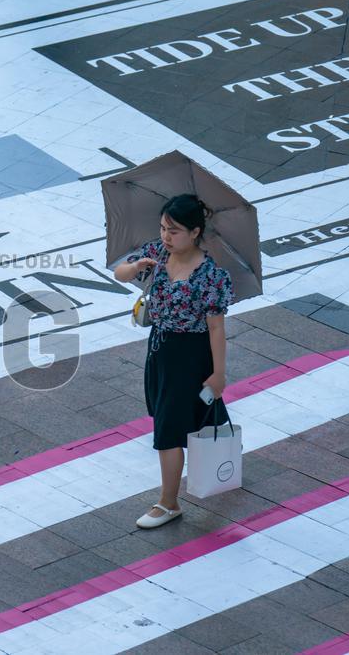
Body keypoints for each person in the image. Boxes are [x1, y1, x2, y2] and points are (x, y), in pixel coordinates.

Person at [112, 194, 234, 529]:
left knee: (167, 428)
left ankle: (168, 503)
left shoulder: (211, 275)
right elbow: (120, 274)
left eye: (175, 230)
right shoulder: (156, 254)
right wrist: (135, 268)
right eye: (164, 227)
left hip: (190, 354)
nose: (166, 235)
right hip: (159, 349)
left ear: (195, 232)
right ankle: (196, 478)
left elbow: (216, 328)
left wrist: (219, 374)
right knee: (176, 416)